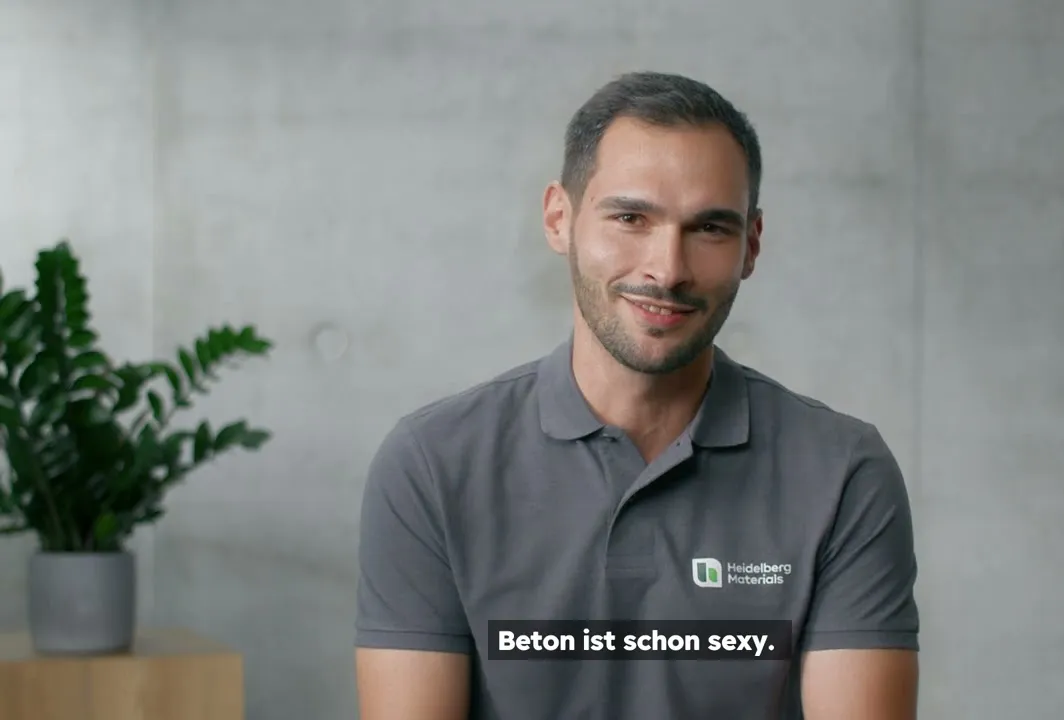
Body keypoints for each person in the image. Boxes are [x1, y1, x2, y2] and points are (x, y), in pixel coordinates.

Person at [354, 71, 920, 720]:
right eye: (630, 218)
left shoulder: (842, 472)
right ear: (559, 218)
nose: (667, 269)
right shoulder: (432, 463)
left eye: (710, 228)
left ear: (751, 245)